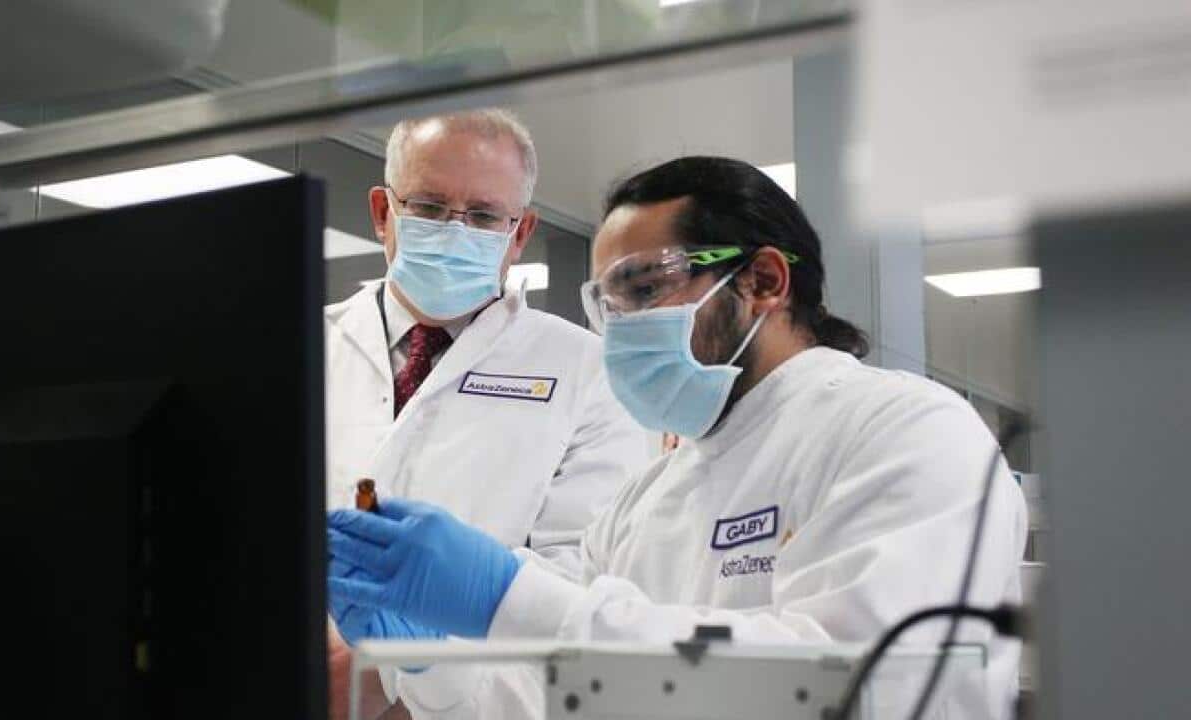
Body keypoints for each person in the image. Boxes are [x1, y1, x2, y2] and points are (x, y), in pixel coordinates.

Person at [328, 156, 1028, 719]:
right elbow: (538, 698)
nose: (621, 327)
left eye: (643, 288)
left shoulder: (907, 431)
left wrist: (506, 595)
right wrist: (428, 664)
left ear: (762, 279)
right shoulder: (648, 497)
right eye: (608, 302)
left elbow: (857, 688)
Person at [323, 109, 649, 718]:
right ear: (381, 212)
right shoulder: (297, 344)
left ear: (520, 232)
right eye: (427, 207)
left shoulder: (590, 371)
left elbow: (581, 581)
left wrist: (411, 684)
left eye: (481, 216)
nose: (454, 230)